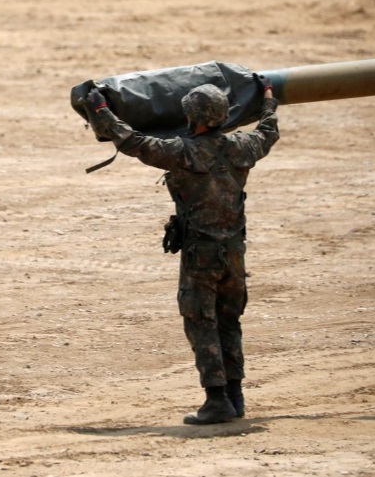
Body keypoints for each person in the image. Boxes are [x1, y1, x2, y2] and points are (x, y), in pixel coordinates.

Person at [83, 75, 279, 425]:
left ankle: (216, 400)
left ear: (194, 118)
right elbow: (269, 130)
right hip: (234, 252)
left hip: (201, 255)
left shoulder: (183, 152)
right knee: (228, 321)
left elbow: (132, 141)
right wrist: (267, 97)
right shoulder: (243, 147)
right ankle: (234, 396)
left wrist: (99, 108)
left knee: (201, 323)